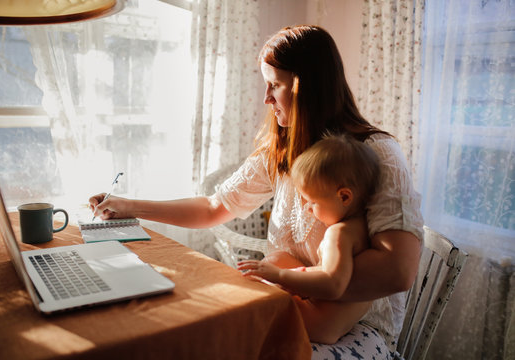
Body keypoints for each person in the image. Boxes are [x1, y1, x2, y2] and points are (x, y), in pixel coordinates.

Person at [89, 25, 423, 359]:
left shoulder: (377, 153)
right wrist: (129, 206)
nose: (266, 98)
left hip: (356, 330)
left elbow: (398, 271)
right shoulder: (282, 150)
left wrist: (284, 277)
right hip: (290, 303)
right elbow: (213, 206)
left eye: (275, 85)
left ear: (307, 87)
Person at [237, 133, 380, 344]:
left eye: (312, 202)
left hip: (319, 322)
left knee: (261, 295)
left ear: (344, 197)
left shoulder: (338, 235)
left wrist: (280, 276)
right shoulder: (364, 226)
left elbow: (333, 284)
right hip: (337, 317)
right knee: (277, 259)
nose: (308, 208)